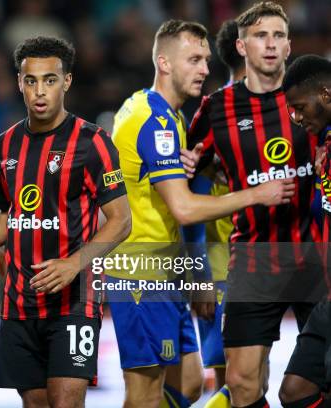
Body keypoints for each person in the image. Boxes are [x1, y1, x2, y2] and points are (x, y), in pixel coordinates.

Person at [109, 19, 292, 408]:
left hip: (166, 272)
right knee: (143, 397)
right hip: (142, 273)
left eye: (206, 60)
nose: (205, 70)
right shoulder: (155, 121)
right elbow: (185, 208)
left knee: (190, 384)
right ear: (164, 63)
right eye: (193, 59)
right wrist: (256, 194)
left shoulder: (157, 111)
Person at [0, 36, 132, 408]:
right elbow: (10, 216)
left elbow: (121, 221)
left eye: (50, 80)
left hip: (74, 303)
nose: (40, 91)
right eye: (31, 80)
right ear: (20, 82)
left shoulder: (94, 142)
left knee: (66, 403)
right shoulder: (4, 145)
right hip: (19, 304)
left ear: (67, 82)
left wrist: (75, 263)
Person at [185, 3, 323, 407]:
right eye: (262, 36)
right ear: (242, 46)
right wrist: (192, 163)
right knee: (243, 385)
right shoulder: (216, 108)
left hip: (315, 255)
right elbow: (198, 172)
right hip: (253, 259)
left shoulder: (315, 98)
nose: (271, 44)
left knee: (315, 383)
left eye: (279, 36)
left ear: (289, 45)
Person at [183, 18, 246, 403]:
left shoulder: (287, 112)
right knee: (234, 382)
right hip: (223, 268)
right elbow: (192, 207)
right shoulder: (216, 114)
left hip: (275, 263)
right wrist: (201, 279)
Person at [278, 54, 331, 408]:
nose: (296, 118)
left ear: (325, 94)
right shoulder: (323, 146)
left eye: (299, 107)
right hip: (327, 296)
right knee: (294, 392)